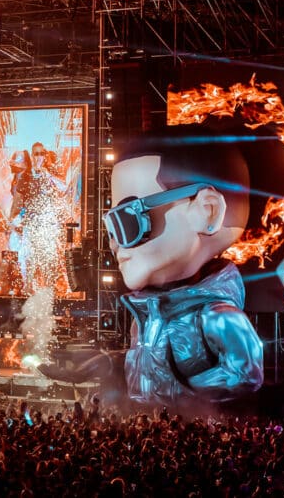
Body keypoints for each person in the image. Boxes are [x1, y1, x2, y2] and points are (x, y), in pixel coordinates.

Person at [104, 125, 263, 405]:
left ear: (208, 210)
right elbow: (147, 362)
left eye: (128, 219)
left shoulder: (219, 318)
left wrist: (178, 393)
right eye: (110, 229)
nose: (116, 244)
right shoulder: (146, 314)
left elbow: (245, 375)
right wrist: (105, 364)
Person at [6, 142, 71, 295]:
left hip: (48, 223)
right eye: (36, 153)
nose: (39, 156)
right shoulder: (26, 178)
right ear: (32, 156)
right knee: (29, 256)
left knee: (48, 256)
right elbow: (17, 201)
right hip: (31, 222)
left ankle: (49, 289)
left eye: (42, 153)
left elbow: (64, 191)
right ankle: (28, 286)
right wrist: (12, 221)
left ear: (45, 155)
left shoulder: (49, 176)